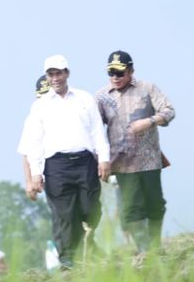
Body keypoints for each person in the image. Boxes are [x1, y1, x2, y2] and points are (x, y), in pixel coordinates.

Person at [18, 55, 111, 268]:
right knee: (64, 213)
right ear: (47, 77)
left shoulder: (84, 99)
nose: (55, 78)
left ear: (67, 73)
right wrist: (35, 174)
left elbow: (97, 131)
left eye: (59, 73)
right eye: (51, 74)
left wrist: (104, 159)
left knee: (90, 208)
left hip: (84, 161)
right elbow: (34, 143)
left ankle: (88, 244)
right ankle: (69, 259)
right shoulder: (40, 106)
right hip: (56, 165)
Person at [95, 50, 175, 254]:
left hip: (149, 159)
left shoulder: (147, 88)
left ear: (131, 71)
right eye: (111, 73)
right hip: (122, 163)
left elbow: (169, 111)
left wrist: (148, 122)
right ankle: (145, 251)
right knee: (131, 208)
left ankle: (155, 245)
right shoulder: (102, 97)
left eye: (120, 73)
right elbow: (94, 129)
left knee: (155, 203)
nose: (115, 77)